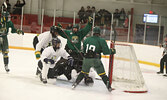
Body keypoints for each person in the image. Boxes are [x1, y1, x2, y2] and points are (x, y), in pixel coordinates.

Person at [72, 27, 116, 92]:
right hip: (96, 60)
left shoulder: (87, 39)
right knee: (103, 75)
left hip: (86, 60)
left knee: (83, 73)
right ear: (99, 33)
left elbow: (83, 51)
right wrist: (112, 51)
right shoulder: (101, 40)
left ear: (93, 32)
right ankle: (109, 88)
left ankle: (75, 84)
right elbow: (106, 52)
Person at [0, 8, 24, 72]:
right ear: (3, 17)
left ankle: (6, 66)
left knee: (6, 53)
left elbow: (13, 30)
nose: (9, 18)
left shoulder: (9, 22)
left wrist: (18, 31)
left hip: (4, 38)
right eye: (7, 17)